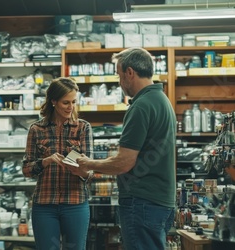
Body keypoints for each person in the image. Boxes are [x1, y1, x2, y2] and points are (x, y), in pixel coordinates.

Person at [69, 48, 177, 250]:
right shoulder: (162, 101)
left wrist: (87, 163)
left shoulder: (141, 106)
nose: (119, 82)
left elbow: (124, 163)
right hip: (160, 201)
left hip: (142, 201)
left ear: (130, 72)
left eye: (119, 75)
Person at [22, 77, 94, 250]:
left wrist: (79, 170)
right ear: (53, 101)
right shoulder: (36, 129)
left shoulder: (83, 128)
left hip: (75, 203)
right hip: (45, 205)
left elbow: (90, 172)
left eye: (74, 102)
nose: (71, 107)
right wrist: (45, 161)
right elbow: (26, 169)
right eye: (65, 102)